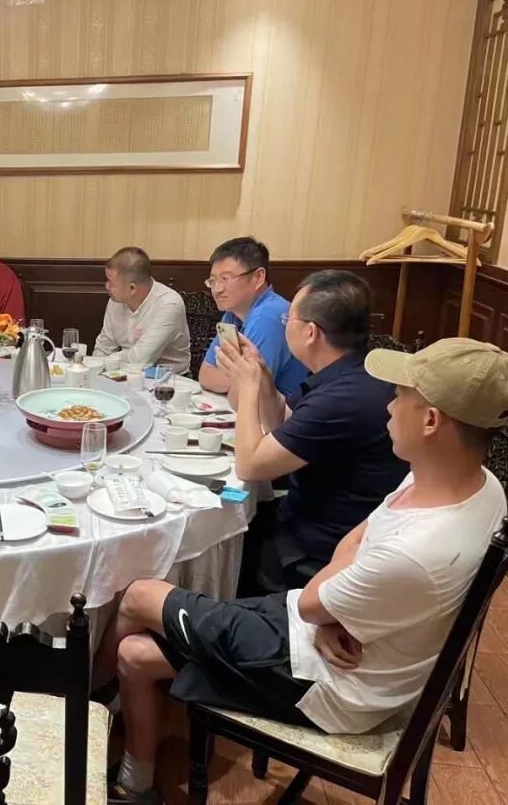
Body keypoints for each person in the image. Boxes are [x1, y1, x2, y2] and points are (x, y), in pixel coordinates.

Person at [97, 336, 508, 804]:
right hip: (331, 641)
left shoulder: (418, 550)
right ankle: (137, 782)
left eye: (399, 397)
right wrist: (335, 609)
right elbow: (357, 537)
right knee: (134, 653)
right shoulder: (475, 483)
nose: (389, 407)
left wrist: (326, 610)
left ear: (431, 421)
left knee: (139, 596)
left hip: (329, 687)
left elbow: (315, 599)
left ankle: (75, 711)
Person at [216, 270, 409, 587]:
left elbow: (250, 466)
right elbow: (283, 424)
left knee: (219, 539)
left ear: (310, 333)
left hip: (318, 552)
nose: (284, 326)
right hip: (318, 522)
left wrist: (247, 386)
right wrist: (263, 378)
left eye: (287, 320)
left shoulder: (341, 399)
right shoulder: (351, 372)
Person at [199, 237, 307, 396]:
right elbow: (205, 374)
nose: (217, 289)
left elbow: (248, 389)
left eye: (226, 279)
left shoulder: (269, 314)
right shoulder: (232, 313)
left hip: (287, 409)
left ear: (258, 277)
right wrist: (237, 379)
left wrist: (237, 380)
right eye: (213, 280)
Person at [93, 247, 191, 374]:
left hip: (169, 379)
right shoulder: (116, 300)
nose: (106, 286)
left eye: (111, 283)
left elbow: (139, 359)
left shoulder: (169, 304)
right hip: (124, 374)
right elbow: (104, 346)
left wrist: (108, 361)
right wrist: (94, 370)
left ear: (132, 288)